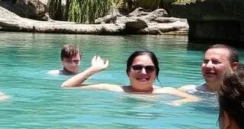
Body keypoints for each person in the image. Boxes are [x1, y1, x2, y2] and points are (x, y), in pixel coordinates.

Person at [61, 51, 199, 104]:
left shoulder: (167, 92)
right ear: (128, 72)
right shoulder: (114, 89)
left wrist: (179, 102)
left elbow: (195, 98)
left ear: (156, 73)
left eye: (149, 68)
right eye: (137, 67)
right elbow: (66, 87)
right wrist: (93, 70)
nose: (143, 72)